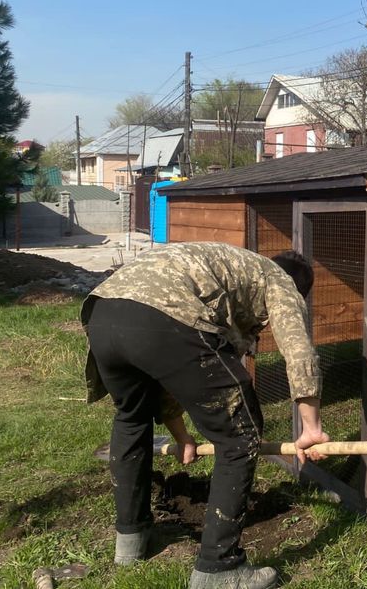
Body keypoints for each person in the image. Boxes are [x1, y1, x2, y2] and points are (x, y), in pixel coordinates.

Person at [81, 241, 329, 589]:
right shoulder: (280, 279)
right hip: (161, 314)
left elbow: (171, 365)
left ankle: (131, 541)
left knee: (131, 418)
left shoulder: (229, 267)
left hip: (103, 314)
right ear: (298, 288)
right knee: (240, 436)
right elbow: (298, 349)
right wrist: (311, 426)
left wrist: (182, 436)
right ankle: (219, 567)